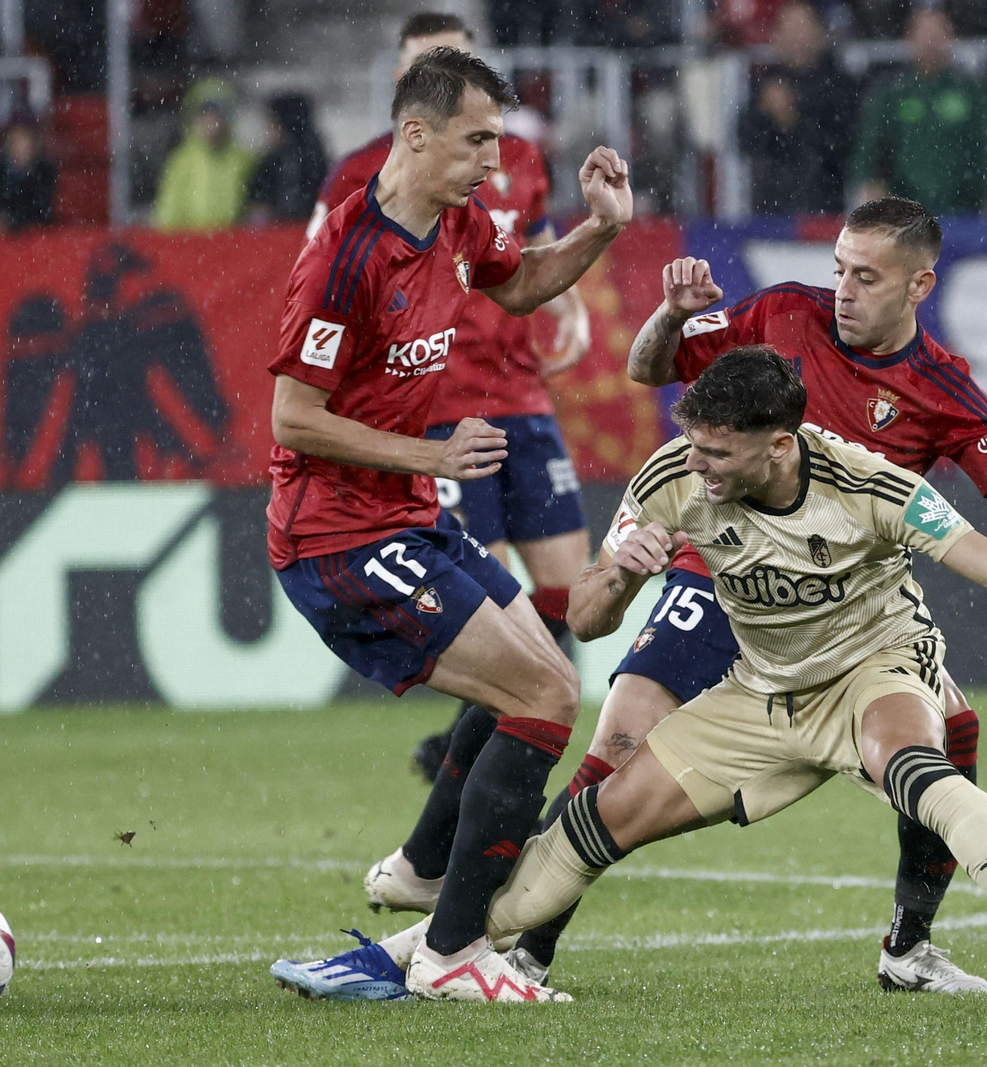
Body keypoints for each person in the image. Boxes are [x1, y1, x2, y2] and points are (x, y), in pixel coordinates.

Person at [346, 345, 987, 1011]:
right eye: (693, 445)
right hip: (760, 693)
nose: (699, 464)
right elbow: (583, 617)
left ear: (780, 445)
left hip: (874, 669)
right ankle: (418, 953)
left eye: (718, 453)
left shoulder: (869, 485)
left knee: (915, 769)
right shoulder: (673, 476)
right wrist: (621, 576)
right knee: (597, 819)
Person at [507, 197, 987, 991]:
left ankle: (908, 947)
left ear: (920, 285)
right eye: (840, 269)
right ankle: (523, 951)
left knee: (955, 730)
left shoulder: (942, 388)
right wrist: (670, 316)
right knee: (617, 747)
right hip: (720, 572)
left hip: (840, 611)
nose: (844, 290)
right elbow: (651, 367)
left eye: (866, 277)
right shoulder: (782, 313)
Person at [264, 47, 632, 1003]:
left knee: (544, 670)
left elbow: (520, 284)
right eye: (477, 141)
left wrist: (600, 227)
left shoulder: (460, 223)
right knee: (544, 695)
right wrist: (427, 456)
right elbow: (293, 419)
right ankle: (451, 953)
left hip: (407, 518)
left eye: (499, 141)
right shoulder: (344, 257)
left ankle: (427, 871)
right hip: (337, 537)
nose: (493, 161)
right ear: (416, 134)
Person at [306, 13, 593, 804]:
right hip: (440, 407)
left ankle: (484, 746)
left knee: (569, 593)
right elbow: (320, 275)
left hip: (522, 393)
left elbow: (528, 253)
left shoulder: (513, 158)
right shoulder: (360, 176)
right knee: (488, 606)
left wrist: (571, 301)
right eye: (424, 63)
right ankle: (481, 779)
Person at [849, 8, 987, 215]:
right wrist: (871, 184)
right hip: (904, 215)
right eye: (923, 33)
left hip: (966, 210)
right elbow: (868, 150)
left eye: (938, 34)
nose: (930, 42)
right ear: (909, 39)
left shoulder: (974, 91)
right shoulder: (889, 93)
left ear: (951, 38)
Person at [736, 1, 860, 215]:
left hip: (825, 212)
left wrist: (794, 119)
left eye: (803, 26)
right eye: (788, 27)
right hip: (770, 212)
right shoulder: (765, 84)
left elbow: (842, 145)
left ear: (821, 33)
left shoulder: (840, 84)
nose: (796, 36)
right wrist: (766, 114)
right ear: (775, 37)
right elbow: (745, 140)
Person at [151, 80, 257, 231]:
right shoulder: (181, 160)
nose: (212, 122)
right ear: (195, 119)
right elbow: (167, 214)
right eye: (206, 115)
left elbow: (254, 208)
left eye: (217, 115)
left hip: (233, 239)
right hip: (191, 240)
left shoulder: (242, 159)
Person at [245, 95, 330, 224]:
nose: (267, 129)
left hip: (287, 231)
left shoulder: (288, 161)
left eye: (272, 122)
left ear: (284, 125)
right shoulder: (314, 156)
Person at [0, 112, 59, 232]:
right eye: (15, 140)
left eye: (25, 139)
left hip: (35, 236)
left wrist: (10, 221)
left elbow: (42, 211)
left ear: (34, 143)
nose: (20, 145)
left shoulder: (46, 171)